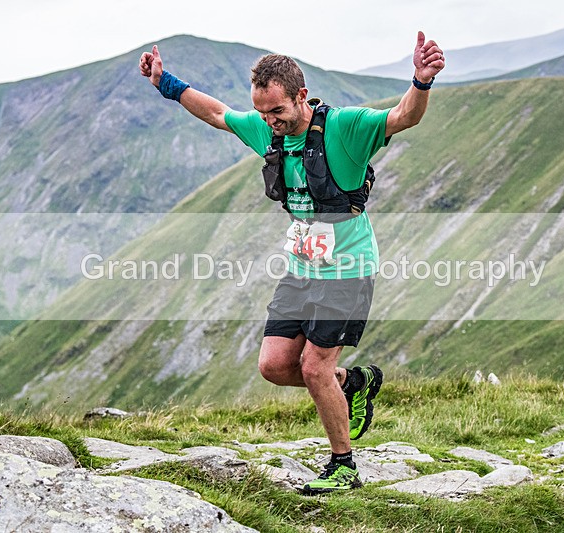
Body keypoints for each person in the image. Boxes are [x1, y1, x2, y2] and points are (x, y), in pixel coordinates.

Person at [140, 32, 445, 494]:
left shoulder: (346, 127)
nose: (269, 122)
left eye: (277, 112)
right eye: (262, 113)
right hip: (302, 266)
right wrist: (167, 83)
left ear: (301, 96)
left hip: (347, 268)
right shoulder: (268, 127)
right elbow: (218, 113)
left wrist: (420, 82)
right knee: (275, 365)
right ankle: (354, 383)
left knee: (314, 367)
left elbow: (403, 117)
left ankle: (344, 466)